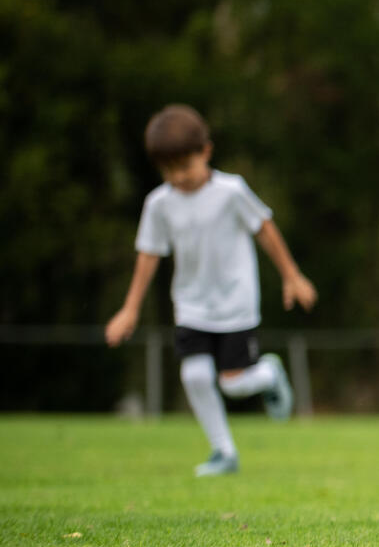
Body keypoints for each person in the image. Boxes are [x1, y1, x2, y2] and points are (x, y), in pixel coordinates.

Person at [104, 105, 317, 475]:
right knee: (195, 376)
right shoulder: (158, 204)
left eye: (184, 166)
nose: (178, 177)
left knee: (232, 384)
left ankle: (269, 374)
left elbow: (264, 228)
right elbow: (149, 254)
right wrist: (130, 308)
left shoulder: (231, 191)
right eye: (168, 170)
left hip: (235, 301)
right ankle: (224, 453)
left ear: (206, 152)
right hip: (192, 304)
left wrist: (292, 275)